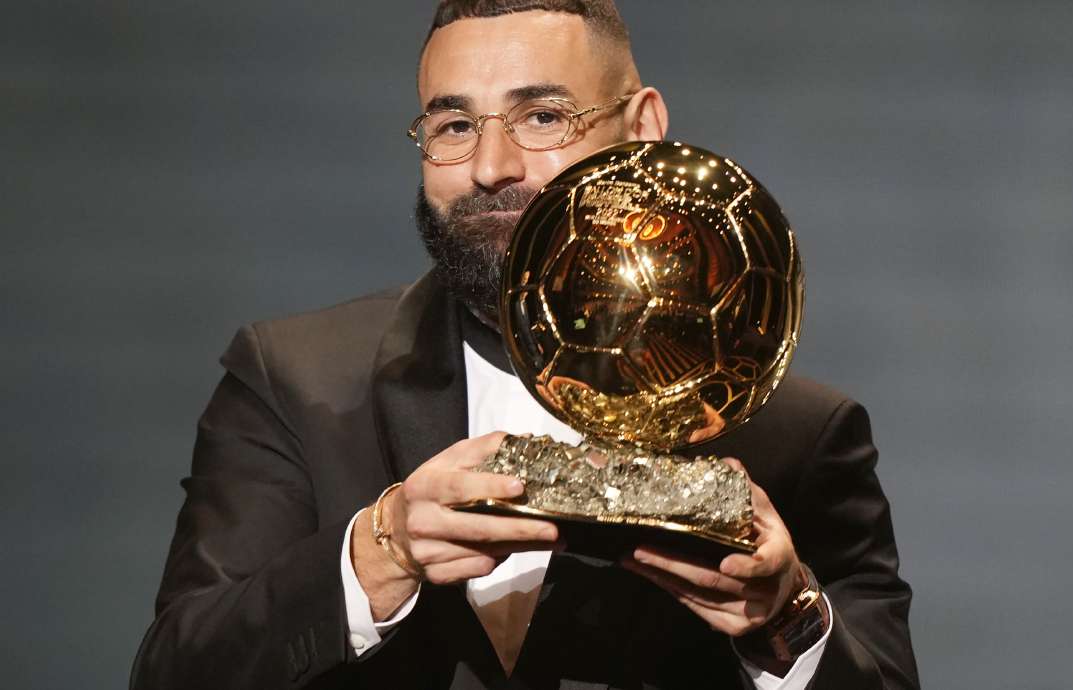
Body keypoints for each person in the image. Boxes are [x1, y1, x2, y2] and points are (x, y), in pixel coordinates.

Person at [130, 2, 919, 688]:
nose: (490, 166)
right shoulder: (295, 380)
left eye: (542, 117)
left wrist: (784, 617)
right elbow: (174, 672)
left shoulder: (800, 433)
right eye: (454, 125)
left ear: (640, 127)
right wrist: (379, 552)